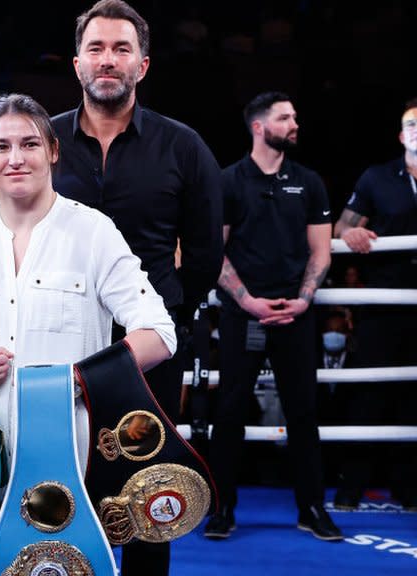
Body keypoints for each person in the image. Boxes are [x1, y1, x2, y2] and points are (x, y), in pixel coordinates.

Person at [0, 94, 175, 574]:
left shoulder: (93, 232)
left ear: (53, 150)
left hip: (74, 460)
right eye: (1, 146)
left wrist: (83, 379)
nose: (15, 158)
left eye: (29, 143)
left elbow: (158, 333)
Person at [49, 1, 223, 572]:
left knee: (148, 483)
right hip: (56, 336)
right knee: (57, 474)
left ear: (142, 66)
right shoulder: (39, 142)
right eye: (96, 48)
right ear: (77, 63)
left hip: (148, 344)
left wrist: (170, 310)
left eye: (121, 49)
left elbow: (204, 253)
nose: (108, 60)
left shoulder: (183, 146)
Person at [204, 91, 342, 541]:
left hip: (296, 315)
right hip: (242, 315)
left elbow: (321, 252)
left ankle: (313, 507)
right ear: (259, 127)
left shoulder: (310, 182)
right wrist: (246, 300)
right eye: (286, 117)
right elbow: (214, 252)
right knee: (229, 413)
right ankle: (222, 509)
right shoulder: (227, 182)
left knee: (304, 412)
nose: (295, 123)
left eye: (295, 115)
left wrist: (303, 300)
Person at [331, 97, 417, 511]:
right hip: (384, 303)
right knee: (369, 392)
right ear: (403, 135)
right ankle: (352, 487)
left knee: (412, 398)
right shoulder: (378, 177)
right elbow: (343, 224)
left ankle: (410, 489)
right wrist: (351, 235)